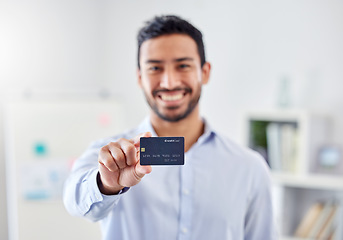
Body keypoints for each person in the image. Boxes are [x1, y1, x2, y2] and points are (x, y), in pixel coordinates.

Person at [63, 15, 277, 240]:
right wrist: (106, 184)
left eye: (183, 66)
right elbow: (73, 199)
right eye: (155, 68)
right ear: (139, 77)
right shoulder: (109, 157)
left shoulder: (249, 168)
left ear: (204, 72)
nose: (169, 82)